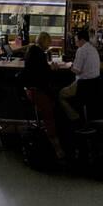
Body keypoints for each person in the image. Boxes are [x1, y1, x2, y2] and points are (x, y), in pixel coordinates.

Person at [23, 32, 65, 160]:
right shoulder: (39, 54)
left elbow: (39, 71)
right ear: (44, 41)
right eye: (49, 41)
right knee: (50, 115)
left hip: (30, 89)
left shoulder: (33, 51)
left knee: (53, 104)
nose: (50, 44)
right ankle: (56, 146)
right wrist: (53, 69)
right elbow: (43, 76)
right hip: (37, 91)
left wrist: (49, 68)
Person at [58, 29, 100, 121]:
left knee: (60, 94)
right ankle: (83, 120)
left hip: (82, 86)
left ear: (82, 40)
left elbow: (76, 71)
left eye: (76, 40)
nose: (75, 42)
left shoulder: (81, 50)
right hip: (94, 86)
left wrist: (69, 66)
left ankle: (75, 118)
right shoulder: (93, 49)